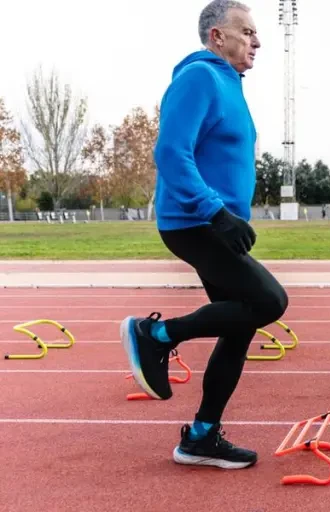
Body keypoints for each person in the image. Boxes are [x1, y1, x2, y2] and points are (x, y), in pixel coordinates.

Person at [119, 0, 286, 470]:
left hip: (216, 225)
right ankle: (156, 334)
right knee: (271, 302)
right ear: (217, 36)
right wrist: (215, 211)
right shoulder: (199, 77)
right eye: (247, 31)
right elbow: (171, 152)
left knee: (239, 324)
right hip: (193, 222)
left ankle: (202, 435)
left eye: (256, 33)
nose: (257, 40)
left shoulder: (230, 84)